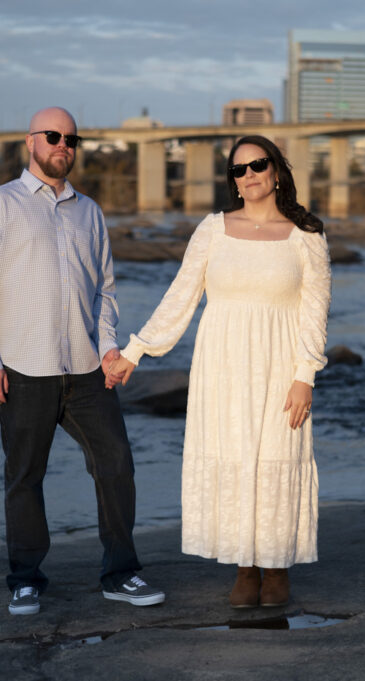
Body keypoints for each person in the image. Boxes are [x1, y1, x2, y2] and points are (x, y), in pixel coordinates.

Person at [106, 135, 331, 608]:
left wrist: (305, 375)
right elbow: (181, 295)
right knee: (234, 457)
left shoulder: (306, 235)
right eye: (238, 170)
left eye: (257, 165)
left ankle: (276, 567)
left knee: (275, 457)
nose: (248, 175)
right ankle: (244, 567)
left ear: (276, 171)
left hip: (280, 361)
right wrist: (136, 350)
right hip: (224, 364)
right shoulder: (212, 229)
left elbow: (315, 311)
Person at [0, 106, 164, 616]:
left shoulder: (90, 212)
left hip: (87, 368)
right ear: (30, 141)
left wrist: (109, 344)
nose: (63, 146)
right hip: (24, 368)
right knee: (25, 475)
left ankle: (121, 574)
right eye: (53, 136)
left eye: (72, 139)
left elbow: (107, 292)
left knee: (116, 462)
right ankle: (25, 578)